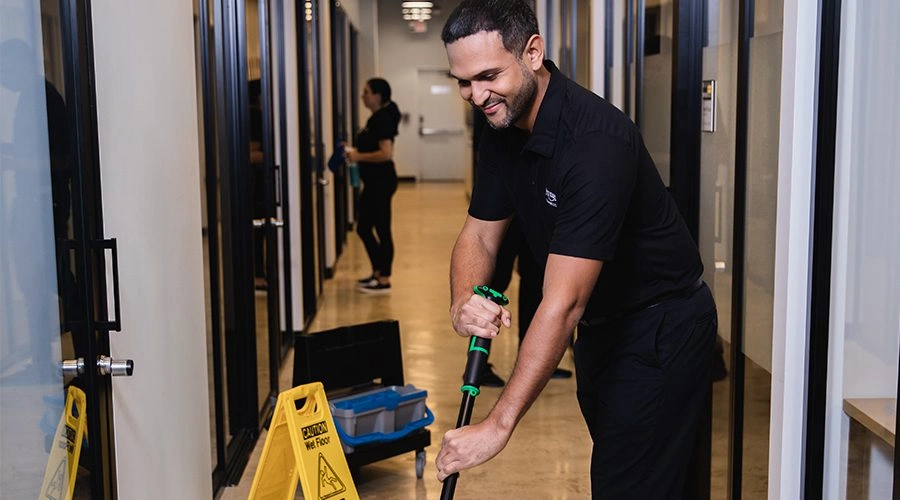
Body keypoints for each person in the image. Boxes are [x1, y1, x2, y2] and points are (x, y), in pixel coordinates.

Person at [435, 1, 717, 497]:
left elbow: (563, 304)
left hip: (659, 329)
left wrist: (497, 426)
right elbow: (480, 233)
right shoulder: (501, 123)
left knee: (625, 485)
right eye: (463, 81)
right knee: (641, 475)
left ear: (534, 52)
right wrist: (463, 300)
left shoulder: (595, 142)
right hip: (601, 332)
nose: (476, 96)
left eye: (488, 76)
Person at [345, 78, 401, 294]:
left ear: (377, 96)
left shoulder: (382, 119)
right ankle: (378, 271)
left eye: (366, 92)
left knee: (380, 229)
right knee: (364, 227)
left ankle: (384, 278)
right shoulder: (377, 118)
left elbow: (386, 153)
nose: (363, 96)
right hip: (375, 182)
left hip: (381, 182)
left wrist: (357, 155)